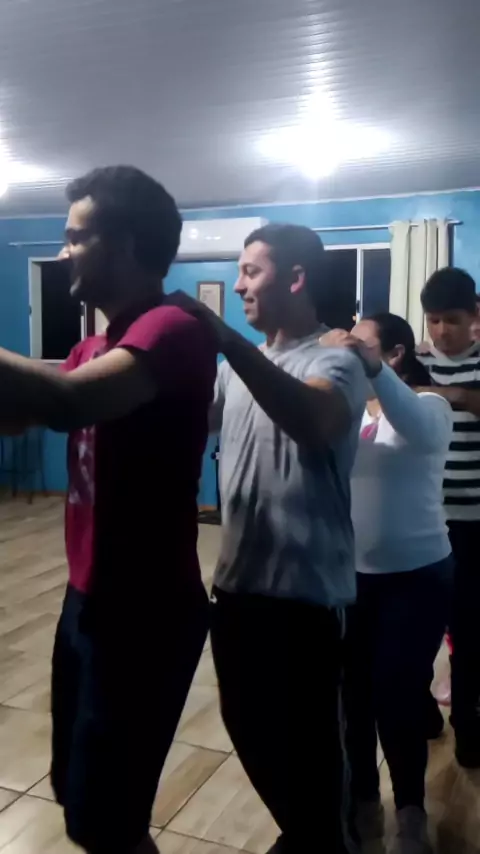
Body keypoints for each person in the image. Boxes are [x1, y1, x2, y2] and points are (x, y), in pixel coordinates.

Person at [0, 166, 217, 854]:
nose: (63, 252)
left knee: (107, 818)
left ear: (122, 243)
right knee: (78, 794)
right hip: (87, 598)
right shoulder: (92, 346)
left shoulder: (172, 327)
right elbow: (25, 412)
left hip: (146, 610)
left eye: (75, 237)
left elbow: (67, 403)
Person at [174, 223, 367, 854]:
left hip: (308, 601)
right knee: (249, 731)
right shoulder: (236, 372)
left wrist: (226, 340)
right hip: (236, 591)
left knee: (312, 757)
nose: (238, 285)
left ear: (296, 278)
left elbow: (312, 420)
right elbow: (192, 420)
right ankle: (303, 835)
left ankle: (323, 840)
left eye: (251, 271)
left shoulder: (334, 359)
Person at [322, 316, 453, 854]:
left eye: (363, 341)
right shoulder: (348, 412)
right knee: (352, 697)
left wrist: (372, 369)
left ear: (394, 353)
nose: (349, 348)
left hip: (417, 576)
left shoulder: (429, 405)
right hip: (350, 578)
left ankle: (410, 811)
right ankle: (363, 799)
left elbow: (419, 430)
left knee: (396, 693)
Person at [419, 268, 480, 768]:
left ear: (474, 316)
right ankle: (422, 708)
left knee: (469, 629)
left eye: (452, 320)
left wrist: (455, 394)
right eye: (434, 320)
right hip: (424, 521)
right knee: (418, 624)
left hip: (475, 521)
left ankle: (467, 722)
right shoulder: (412, 364)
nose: (441, 331)